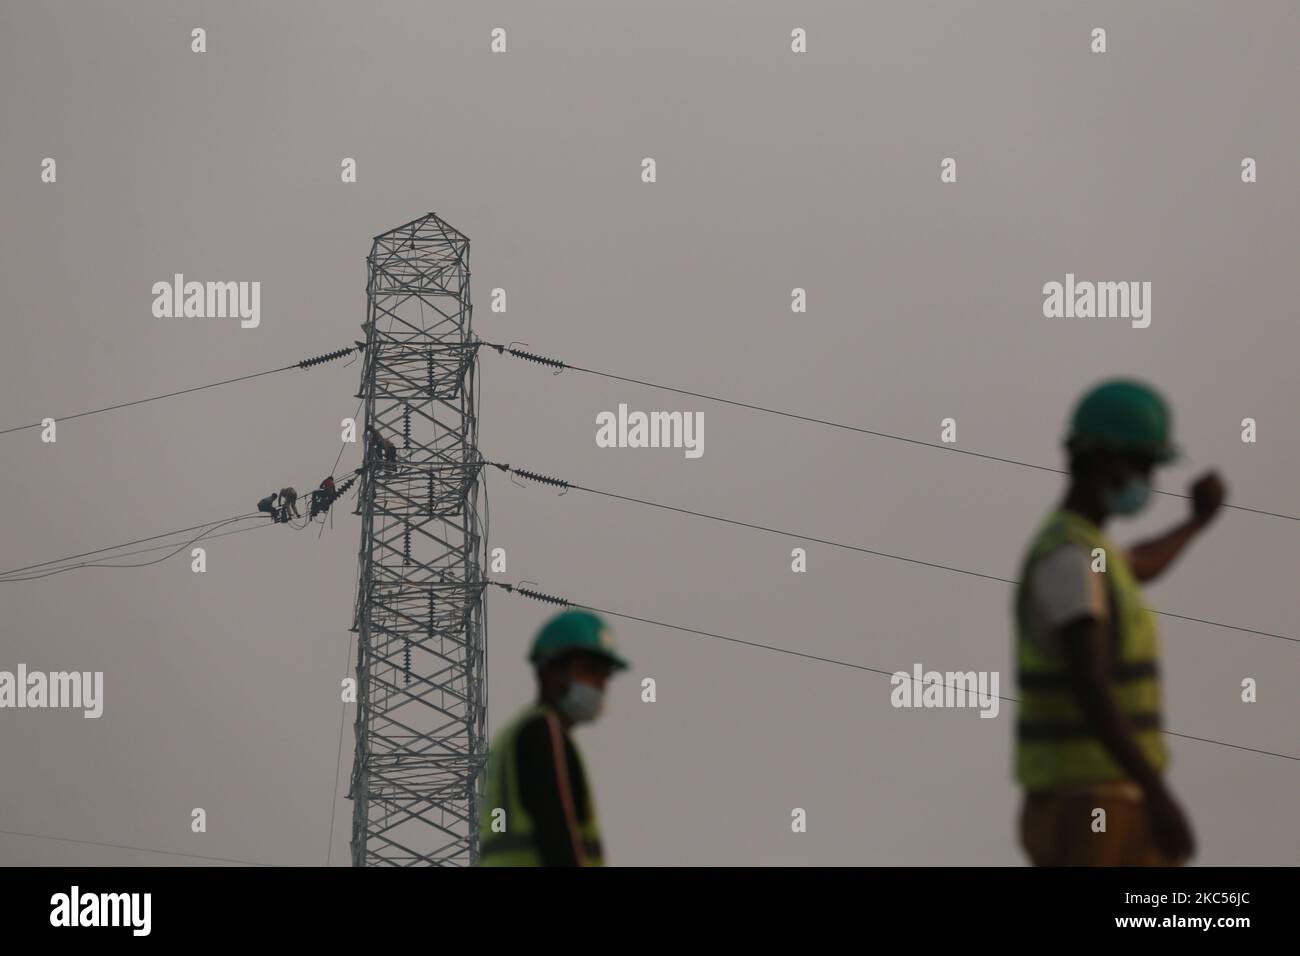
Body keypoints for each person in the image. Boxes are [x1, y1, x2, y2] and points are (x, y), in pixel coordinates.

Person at [1014, 380, 1226, 867]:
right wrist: (1157, 793)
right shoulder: (1069, 558)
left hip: (1101, 797)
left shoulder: (1087, 549)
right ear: (1104, 459)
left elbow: (1140, 564)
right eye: (1144, 464)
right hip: (1090, 801)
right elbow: (1091, 683)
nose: (1148, 479)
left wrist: (1196, 522)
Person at [478, 609, 629, 866]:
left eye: (605, 675)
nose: (600, 684)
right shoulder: (543, 732)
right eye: (590, 670)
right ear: (551, 671)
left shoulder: (519, 733)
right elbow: (558, 837)